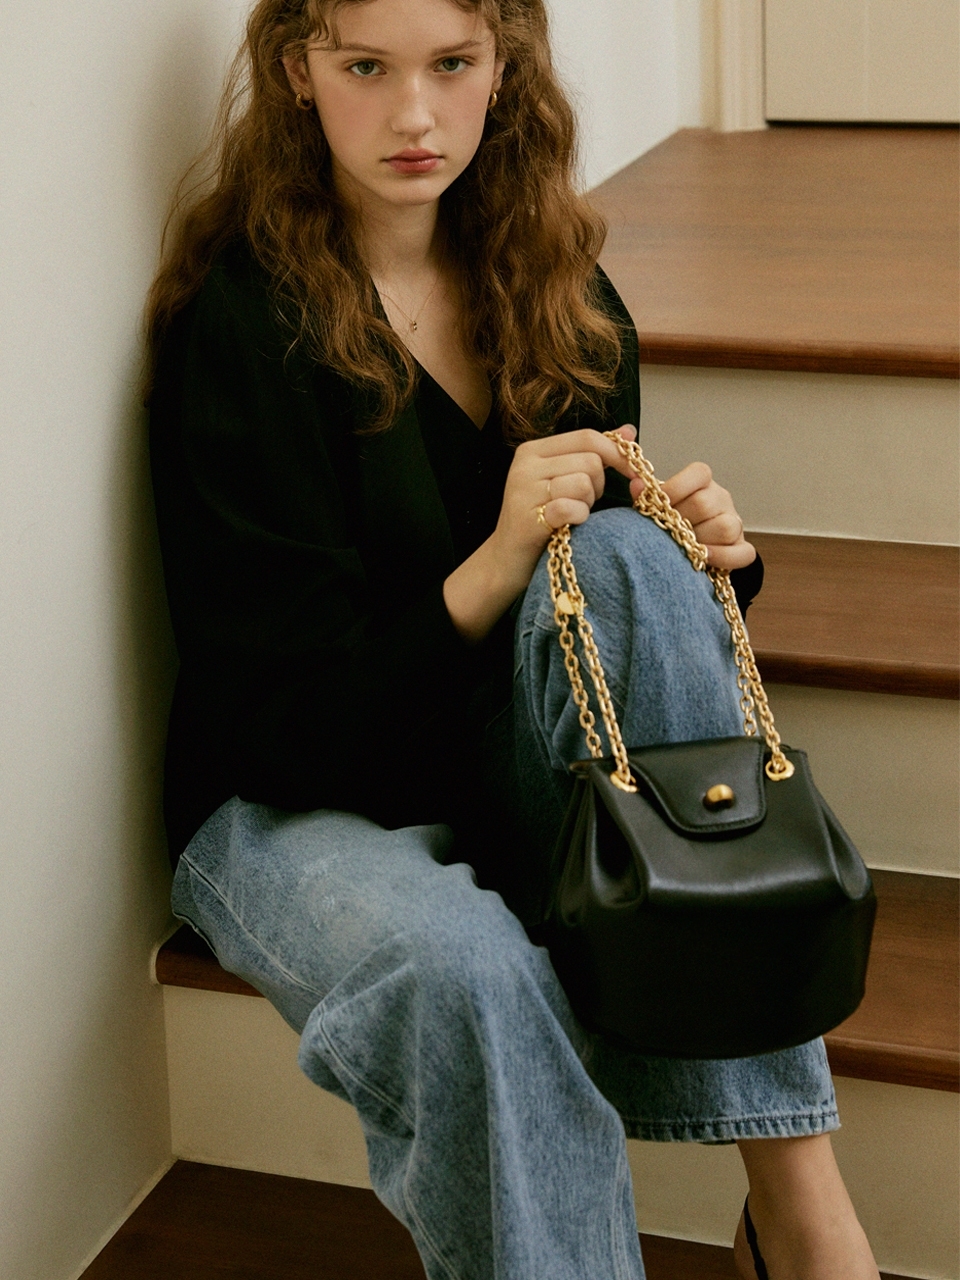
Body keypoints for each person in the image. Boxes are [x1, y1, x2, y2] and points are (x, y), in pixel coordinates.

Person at [146, 0, 881, 1275]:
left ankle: (797, 1196)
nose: (414, 114)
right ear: (298, 70)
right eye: (365, 67)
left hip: (499, 761)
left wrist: (709, 559)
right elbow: (281, 727)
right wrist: (489, 566)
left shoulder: (554, 285)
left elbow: (610, 640)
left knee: (624, 556)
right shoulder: (244, 325)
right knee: (472, 972)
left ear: (503, 67)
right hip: (284, 805)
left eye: (452, 65)